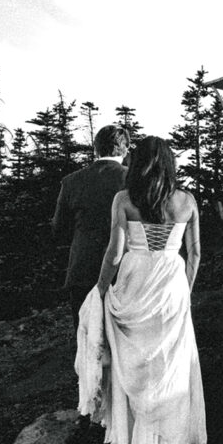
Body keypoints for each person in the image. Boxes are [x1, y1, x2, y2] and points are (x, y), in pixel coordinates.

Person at [76, 136, 206, 444]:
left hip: (135, 276)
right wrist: (185, 291)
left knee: (133, 356)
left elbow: (114, 253)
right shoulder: (187, 201)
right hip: (171, 280)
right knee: (168, 358)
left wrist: (101, 291)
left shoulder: (124, 199)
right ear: (169, 163)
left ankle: (135, 437)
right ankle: (163, 440)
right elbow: (194, 253)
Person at [52, 125, 130, 329]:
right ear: (126, 149)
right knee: (125, 341)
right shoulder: (133, 180)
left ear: (96, 149)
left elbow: (59, 229)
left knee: (86, 338)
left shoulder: (71, 181)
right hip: (126, 270)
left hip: (83, 268)